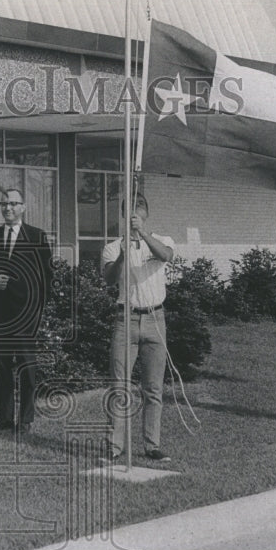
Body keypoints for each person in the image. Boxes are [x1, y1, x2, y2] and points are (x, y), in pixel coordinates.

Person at [102, 193, 175, 462]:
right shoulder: (112, 247)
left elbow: (166, 255)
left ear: (146, 213)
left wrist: (142, 234)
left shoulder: (161, 240)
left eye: (140, 208)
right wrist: (123, 255)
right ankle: (114, 447)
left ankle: (152, 444)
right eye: (130, 209)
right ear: (123, 214)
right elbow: (109, 280)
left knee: (153, 387)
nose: (135, 213)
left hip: (155, 319)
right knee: (119, 385)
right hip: (126, 320)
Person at [0, 187, 53, 433]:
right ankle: (5, 418)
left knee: (28, 367)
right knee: (2, 365)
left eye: (13, 204)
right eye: (4, 204)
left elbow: (47, 278)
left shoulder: (37, 237)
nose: (8, 208)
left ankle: (26, 419)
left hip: (26, 315)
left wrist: (36, 310)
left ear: (23, 207)